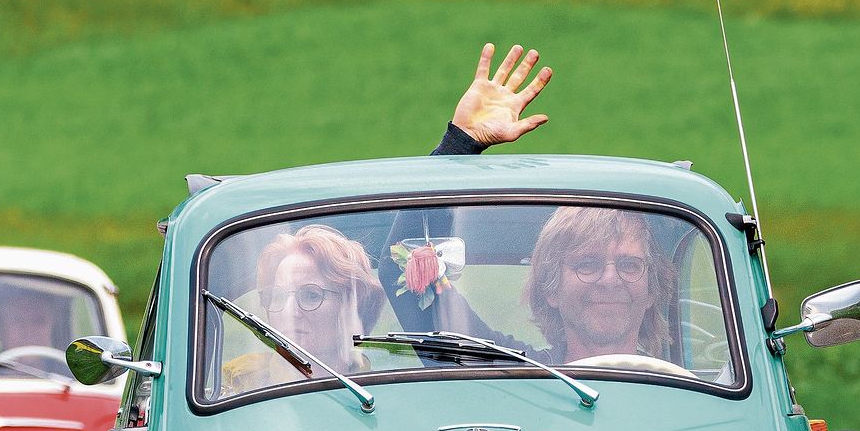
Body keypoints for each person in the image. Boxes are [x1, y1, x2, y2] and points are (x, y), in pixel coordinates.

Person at [381, 43, 674, 364]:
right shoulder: (514, 375)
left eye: (630, 265)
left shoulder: (691, 392)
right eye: (587, 265)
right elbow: (406, 269)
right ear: (551, 290)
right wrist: (460, 143)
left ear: (651, 290)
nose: (610, 279)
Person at [220, 224, 386, 396]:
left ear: (352, 306)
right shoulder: (239, 386)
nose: (289, 312)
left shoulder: (391, 388)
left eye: (311, 295)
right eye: (278, 296)